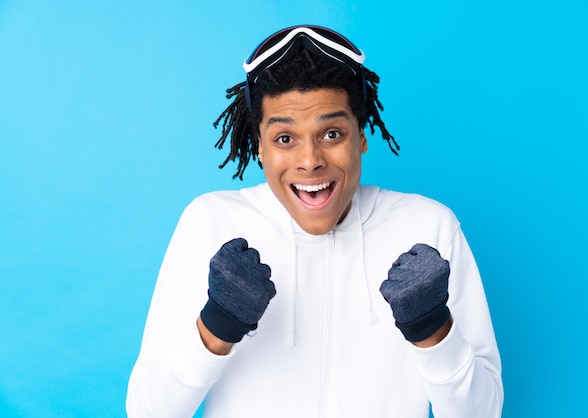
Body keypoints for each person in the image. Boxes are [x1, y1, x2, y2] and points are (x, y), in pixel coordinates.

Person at [126, 25, 503, 417]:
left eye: (332, 133)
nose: (309, 161)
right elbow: (147, 411)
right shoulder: (210, 223)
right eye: (285, 139)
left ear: (361, 135)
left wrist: (433, 329)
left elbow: (483, 411)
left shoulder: (429, 228)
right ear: (259, 145)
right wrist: (216, 325)